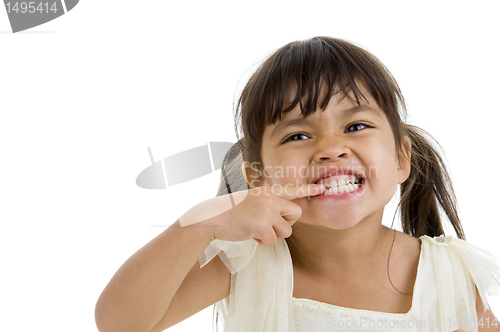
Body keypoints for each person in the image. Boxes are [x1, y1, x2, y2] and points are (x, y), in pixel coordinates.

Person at [95, 37, 500, 332]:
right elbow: (120, 323)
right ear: (257, 179)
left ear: (400, 159)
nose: (331, 149)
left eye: (356, 126)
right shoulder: (246, 264)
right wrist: (203, 222)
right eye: (298, 136)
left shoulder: (450, 275)